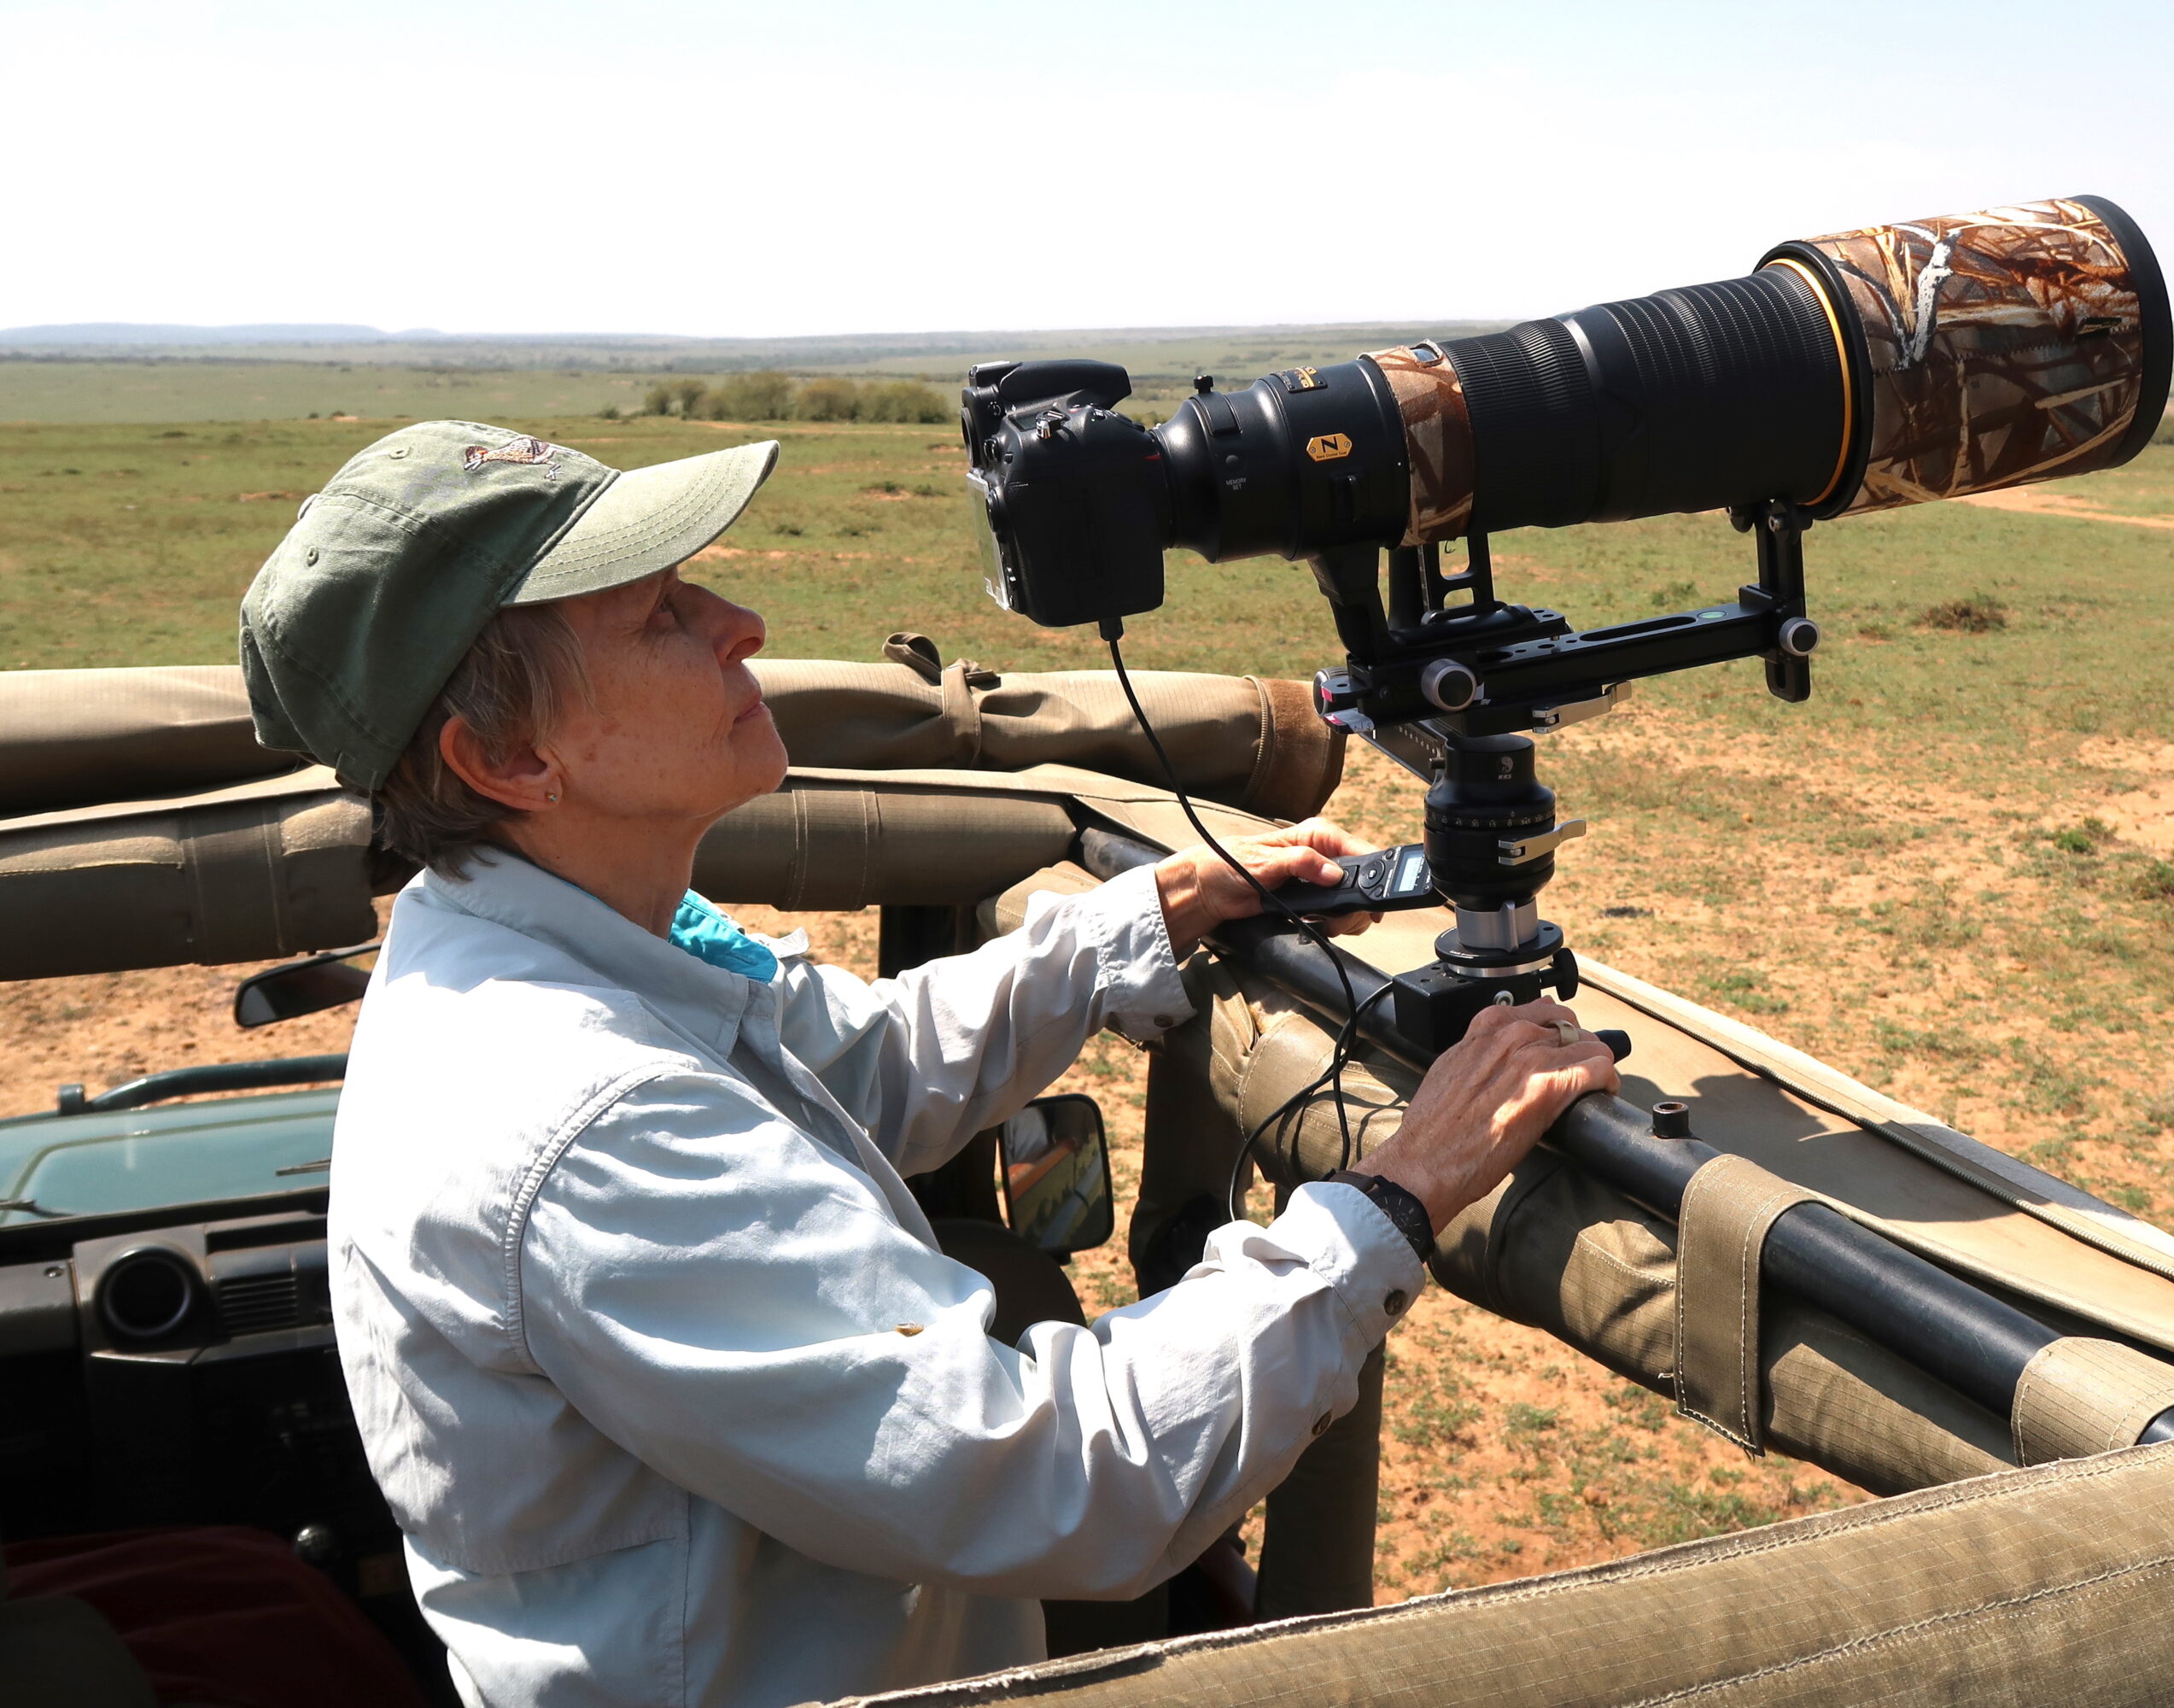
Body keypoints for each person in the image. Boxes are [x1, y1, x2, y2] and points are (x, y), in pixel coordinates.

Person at [239, 421, 1620, 1708]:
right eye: (660, 615)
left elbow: (858, 1062)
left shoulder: (570, 941)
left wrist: (1144, 915)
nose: (741, 626)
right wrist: (1400, 1189)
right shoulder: (583, 1117)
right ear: (509, 758)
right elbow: (1067, 1476)